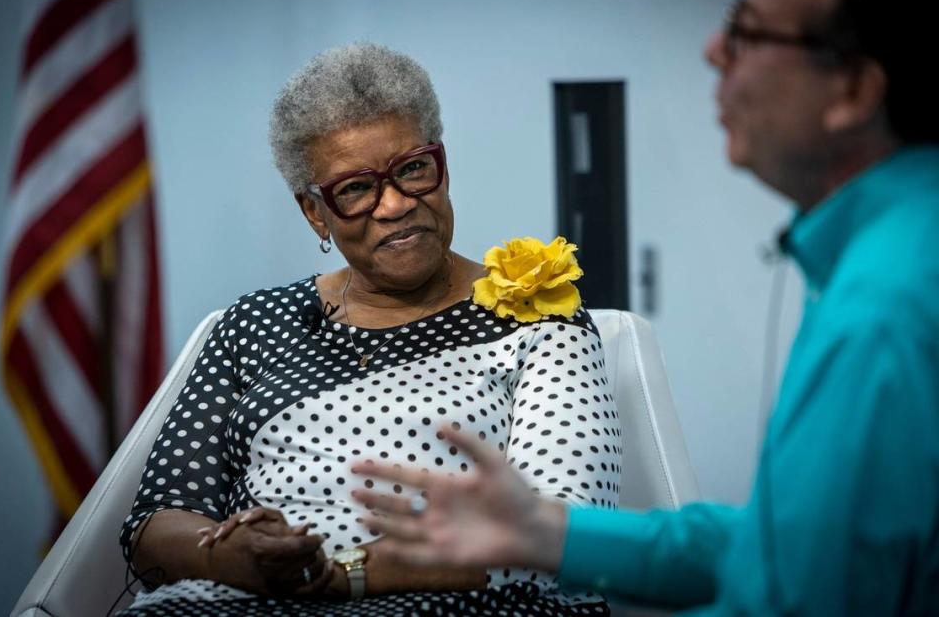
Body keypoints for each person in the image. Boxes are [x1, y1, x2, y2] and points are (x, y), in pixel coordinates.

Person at [351, 0, 939, 614]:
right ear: (312, 211)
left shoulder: (885, 310)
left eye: (748, 31)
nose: (715, 52)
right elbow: (782, 548)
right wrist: (540, 529)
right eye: (352, 189)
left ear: (855, 90)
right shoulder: (891, 252)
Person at [118, 43, 623, 616]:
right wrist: (226, 558)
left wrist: (342, 576)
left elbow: (561, 530)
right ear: (316, 213)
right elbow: (156, 520)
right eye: (355, 189)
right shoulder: (251, 324)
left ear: (443, 167)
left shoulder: (535, 310)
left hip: (462, 603)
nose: (394, 205)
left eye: (412, 169)